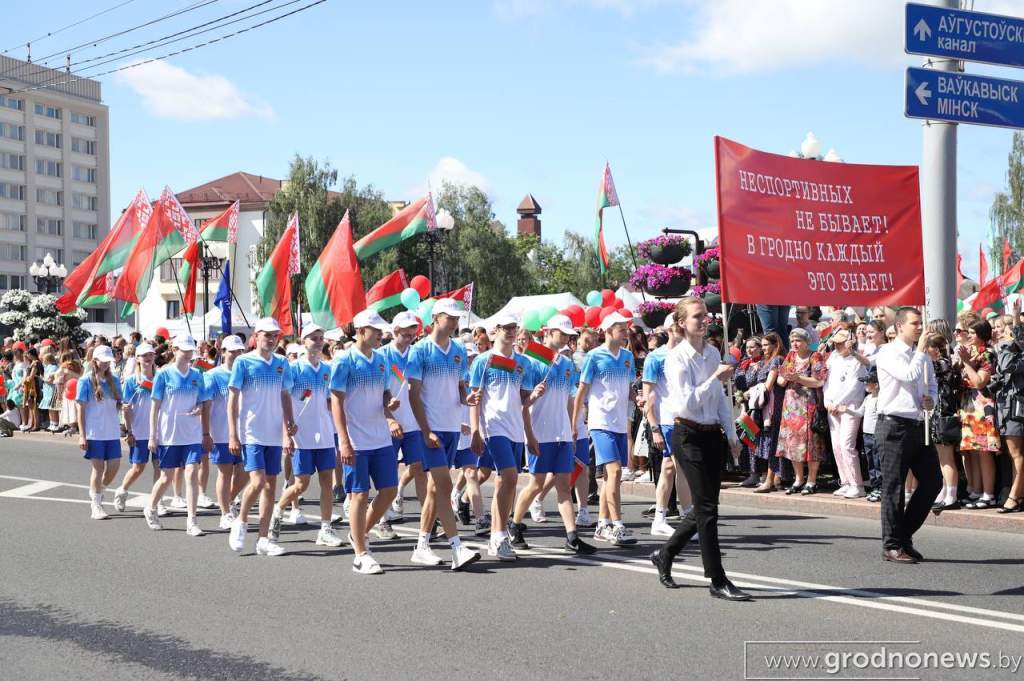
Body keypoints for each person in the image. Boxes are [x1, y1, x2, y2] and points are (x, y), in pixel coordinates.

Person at [650, 297, 751, 601]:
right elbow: (686, 403)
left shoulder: (711, 353)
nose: (705, 320)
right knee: (706, 509)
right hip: (687, 434)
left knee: (707, 507)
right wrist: (715, 378)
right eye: (697, 316)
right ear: (681, 323)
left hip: (712, 434)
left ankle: (665, 554)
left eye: (706, 316)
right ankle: (717, 579)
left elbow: (720, 397)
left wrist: (732, 434)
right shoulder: (676, 358)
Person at [405, 298, 481, 570]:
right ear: (436, 318)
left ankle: (422, 546)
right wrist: (425, 430)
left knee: (436, 490)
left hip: (451, 428)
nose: (455, 321)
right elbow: (413, 395)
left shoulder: (459, 350)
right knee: (445, 486)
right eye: (450, 317)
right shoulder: (420, 351)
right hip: (430, 429)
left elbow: (460, 388)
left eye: (457, 318)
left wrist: (467, 398)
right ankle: (457, 548)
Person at [331, 310, 402, 574]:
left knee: (389, 491)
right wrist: (344, 441)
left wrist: (390, 410)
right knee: (359, 495)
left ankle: (358, 533)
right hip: (356, 440)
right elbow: (336, 402)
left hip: (380, 438)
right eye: (376, 331)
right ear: (361, 331)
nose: (381, 335)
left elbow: (384, 394)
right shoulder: (344, 360)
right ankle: (361, 554)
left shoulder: (381, 360)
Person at [874, 307, 942, 563]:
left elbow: (931, 383)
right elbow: (908, 375)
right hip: (893, 426)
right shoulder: (887, 353)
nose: (919, 328)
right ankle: (891, 545)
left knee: (933, 481)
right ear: (900, 326)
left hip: (917, 424)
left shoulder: (920, 355)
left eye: (920, 323)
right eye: (915, 323)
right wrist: (922, 351)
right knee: (894, 487)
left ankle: (902, 535)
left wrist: (931, 400)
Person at [468, 314, 538, 560]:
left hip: (515, 429)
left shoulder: (524, 363)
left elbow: (523, 402)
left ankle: (497, 537)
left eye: (513, 328)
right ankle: (498, 534)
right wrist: (475, 430)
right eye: (505, 328)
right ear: (495, 330)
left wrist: (530, 434)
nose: (510, 332)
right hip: (493, 427)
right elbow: (474, 399)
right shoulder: (483, 361)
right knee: (508, 477)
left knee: (505, 482)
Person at [227, 318, 296, 557]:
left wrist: (289, 427)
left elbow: (285, 396)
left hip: (274, 434)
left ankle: (263, 539)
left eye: (275, 335)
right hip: (251, 432)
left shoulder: (282, 363)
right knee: (257, 482)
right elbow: (232, 400)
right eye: (267, 334)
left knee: (270, 487)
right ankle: (241, 521)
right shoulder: (243, 362)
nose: (272, 338)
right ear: (256, 336)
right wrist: (233, 434)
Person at [271, 325, 344, 548]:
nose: (319, 342)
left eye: (321, 338)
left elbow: (331, 400)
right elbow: (283, 400)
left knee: (326, 483)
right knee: (301, 485)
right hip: (302, 435)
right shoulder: (293, 369)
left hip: (324, 434)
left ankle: (325, 529)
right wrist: (287, 431)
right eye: (314, 338)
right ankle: (278, 510)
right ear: (304, 342)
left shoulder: (327, 369)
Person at [573, 311, 637, 545]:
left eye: (626, 327)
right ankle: (618, 525)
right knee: (615, 472)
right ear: (608, 331)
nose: (625, 331)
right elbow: (581, 391)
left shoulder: (628, 356)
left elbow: (628, 388)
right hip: (600, 423)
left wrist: (638, 398)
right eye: (621, 328)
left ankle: (602, 524)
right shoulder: (594, 357)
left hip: (619, 423)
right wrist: (575, 423)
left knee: (612, 478)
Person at [143, 336, 213, 536]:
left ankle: (192, 521)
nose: (189, 354)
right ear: (175, 350)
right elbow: (154, 406)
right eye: (185, 350)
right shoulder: (164, 375)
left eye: (191, 350)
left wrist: (199, 409)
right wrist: (152, 436)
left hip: (191, 433)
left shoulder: (197, 376)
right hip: (169, 434)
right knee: (167, 477)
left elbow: (203, 401)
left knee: (191, 472)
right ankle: (151, 507)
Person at [642, 312, 693, 535]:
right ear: (671, 329)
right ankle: (688, 520)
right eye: (679, 326)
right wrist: (654, 428)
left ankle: (660, 519)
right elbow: (648, 397)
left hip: (687, 418)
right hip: (668, 420)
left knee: (669, 468)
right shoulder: (655, 358)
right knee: (679, 467)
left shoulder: (690, 355)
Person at [383, 311, 429, 524]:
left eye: (413, 333)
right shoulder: (382, 356)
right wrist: (389, 417)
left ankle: (428, 518)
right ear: (395, 332)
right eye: (405, 333)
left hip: (413, 424)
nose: (410, 337)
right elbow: (376, 392)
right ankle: (384, 517)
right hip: (389, 424)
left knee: (419, 469)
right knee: (388, 474)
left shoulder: (417, 354)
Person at [204, 335, 249, 529]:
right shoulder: (213, 375)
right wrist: (206, 433)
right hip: (222, 432)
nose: (237, 354)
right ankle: (225, 513)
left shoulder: (247, 374)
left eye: (240, 351)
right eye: (233, 351)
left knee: (246, 472)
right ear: (223, 352)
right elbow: (206, 407)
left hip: (246, 431)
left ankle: (228, 501)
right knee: (225, 472)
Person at [75, 345, 123, 520]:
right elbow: (80, 408)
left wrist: (122, 406)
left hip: (112, 431)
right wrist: (82, 434)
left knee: (114, 466)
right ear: (94, 360)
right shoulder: (85, 380)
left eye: (107, 361)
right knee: (98, 468)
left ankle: (99, 490)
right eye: (102, 361)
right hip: (94, 431)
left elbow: (118, 403)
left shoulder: (115, 380)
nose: (105, 364)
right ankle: (96, 504)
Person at [956, 320, 1000, 509]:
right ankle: (977, 491)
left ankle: (988, 494)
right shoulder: (972, 352)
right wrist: (963, 361)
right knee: (973, 451)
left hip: (982, 407)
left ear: (982, 334)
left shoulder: (988, 353)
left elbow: (980, 382)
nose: (969, 335)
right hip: (969, 406)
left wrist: (966, 362)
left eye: (973, 332)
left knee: (984, 452)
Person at [777, 328, 827, 495]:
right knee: (792, 443)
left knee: (811, 444)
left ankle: (811, 480)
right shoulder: (790, 356)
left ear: (806, 342)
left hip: (808, 405)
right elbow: (780, 380)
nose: (795, 344)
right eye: (792, 341)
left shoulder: (815, 356)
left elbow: (819, 381)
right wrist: (785, 377)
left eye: (798, 340)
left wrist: (798, 378)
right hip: (791, 407)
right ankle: (798, 479)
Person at [112, 343, 160, 514]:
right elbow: (126, 407)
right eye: (144, 355)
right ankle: (122, 490)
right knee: (138, 467)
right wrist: (129, 430)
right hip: (139, 430)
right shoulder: (132, 381)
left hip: (160, 431)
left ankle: (156, 501)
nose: (148, 358)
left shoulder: (160, 378)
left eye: (150, 355)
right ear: (138, 359)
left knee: (159, 466)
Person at [822, 329, 868, 498]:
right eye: (836, 342)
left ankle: (858, 484)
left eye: (841, 342)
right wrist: (828, 402)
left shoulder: (857, 361)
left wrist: (838, 403)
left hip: (850, 406)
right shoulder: (833, 359)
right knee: (836, 446)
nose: (837, 345)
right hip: (833, 407)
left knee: (847, 445)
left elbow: (855, 386)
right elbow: (826, 382)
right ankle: (846, 482)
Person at [927, 334, 963, 512]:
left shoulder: (942, 363)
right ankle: (945, 490)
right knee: (941, 458)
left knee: (947, 458)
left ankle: (952, 495)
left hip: (945, 413)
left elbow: (930, 369)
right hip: (937, 413)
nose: (925, 350)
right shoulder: (937, 363)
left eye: (928, 347)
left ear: (937, 349)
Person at [751, 333, 786, 493]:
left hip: (773, 405)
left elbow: (768, 385)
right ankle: (774, 477)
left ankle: (770, 480)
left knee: (773, 443)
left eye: (766, 345)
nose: (764, 348)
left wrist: (753, 391)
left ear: (775, 344)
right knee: (769, 442)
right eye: (763, 345)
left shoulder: (777, 359)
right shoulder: (766, 361)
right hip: (765, 406)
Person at [40, 351, 59, 431]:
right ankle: (51, 423)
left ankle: (55, 423)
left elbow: (51, 380)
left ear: (47, 359)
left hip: (52, 389)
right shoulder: (46, 368)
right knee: (49, 407)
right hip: (47, 390)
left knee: (53, 407)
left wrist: (43, 379)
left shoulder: (54, 367)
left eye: (44, 359)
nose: (43, 360)